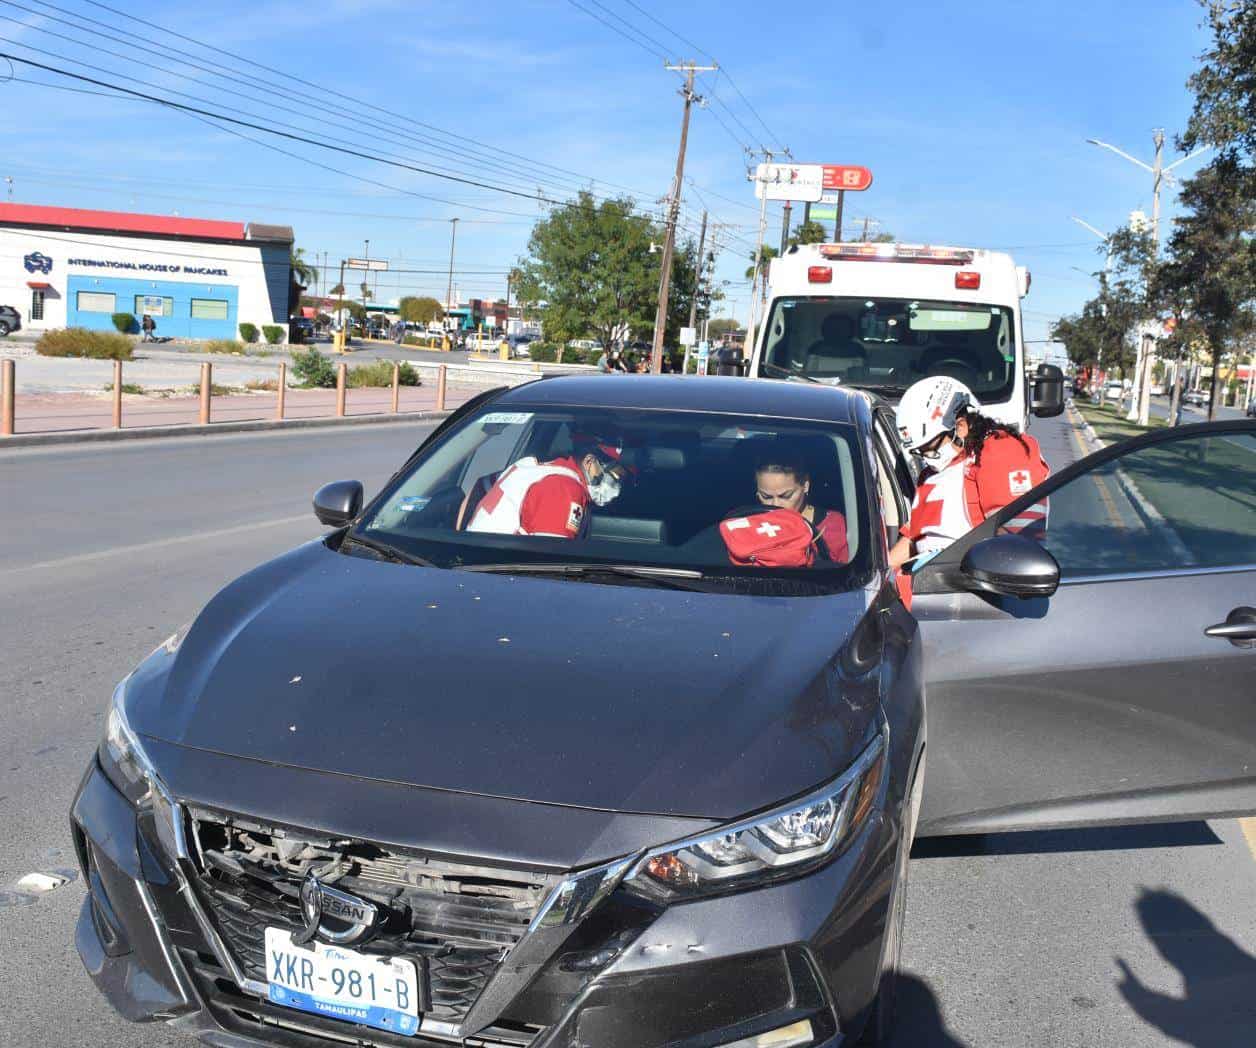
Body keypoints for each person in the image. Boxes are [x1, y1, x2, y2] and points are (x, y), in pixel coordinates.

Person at [888, 376, 1049, 570]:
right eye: (920, 452)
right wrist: (885, 572)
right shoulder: (930, 476)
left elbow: (1019, 542)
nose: (927, 458)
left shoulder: (1001, 451)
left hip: (973, 590)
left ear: (960, 428)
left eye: (930, 448)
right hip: (929, 586)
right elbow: (913, 538)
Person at [463, 434, 629, 538]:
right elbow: (549, 560)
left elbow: (480, 485)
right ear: (589, 462)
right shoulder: (563, 489)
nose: (616, 482)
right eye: (614, 472)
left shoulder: (534, 468)